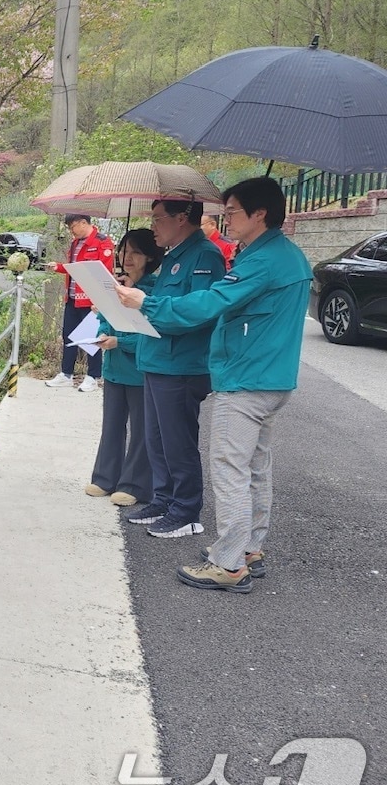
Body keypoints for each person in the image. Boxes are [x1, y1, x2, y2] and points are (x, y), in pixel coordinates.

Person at [116, 177, 311, 593]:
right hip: (268, 376)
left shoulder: (263, 260)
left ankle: (229, 563)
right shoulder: (277, 254)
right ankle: (249, 549)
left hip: (246, 378)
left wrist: (146, 302)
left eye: (233, 210)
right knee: (255, 468)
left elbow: (210, 302)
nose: (225, 218)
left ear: (260, 213)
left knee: (231, 470)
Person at [122, 198, 225, 538]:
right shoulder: (172, 258)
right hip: (157, 358)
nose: (153, 226)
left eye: (158, 219)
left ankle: (186, 510)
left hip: (181, 363)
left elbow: (198, 311)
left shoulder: (204, 256)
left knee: (177, 440)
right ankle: (163, 499)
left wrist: (146, 304)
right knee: (156, 438)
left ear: (182, 218)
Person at [85, 229, 162, 506]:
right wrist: (105, 333)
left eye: (136, 253)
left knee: (141, 429)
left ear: (150, 256)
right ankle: (105, 478)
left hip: (140, 371)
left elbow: (150, 333)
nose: (127, 258)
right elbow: (106, 317)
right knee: (112, 424)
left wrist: (122, 342)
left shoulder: (153, 293)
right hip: (114, 368)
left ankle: (135, 484)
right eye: (124, 251)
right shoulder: (118, 286)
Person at [45, 213, 115, 393]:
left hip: (91, 301)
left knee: (92, 338)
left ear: (83, 223)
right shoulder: (75, 244)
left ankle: (93, 376)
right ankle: (66, 374)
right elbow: (74, 268)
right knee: (68, 336)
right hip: (72, 297)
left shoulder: (102, 242)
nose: (71, 231)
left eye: (72, 227)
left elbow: (105, 273)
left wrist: (100, 300)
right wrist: (59, 267)